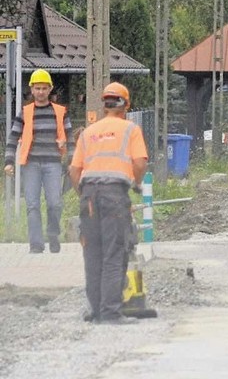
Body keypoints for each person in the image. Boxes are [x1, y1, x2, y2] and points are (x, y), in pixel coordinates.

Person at [69, 82, 148, 324]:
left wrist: (83, 193)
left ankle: (95, 311)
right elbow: (140, 162)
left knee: (92, 254)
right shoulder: (130, 129)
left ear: (104, 105)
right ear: (126, 104)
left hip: (89, 196)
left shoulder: (88, 132)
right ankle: (110, 313)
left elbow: (74, 170)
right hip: (115, 196)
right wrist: (135, 183)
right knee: (114, 253)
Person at [4, 69, 73, 254]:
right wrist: (9, 161)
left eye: (44, 88)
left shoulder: (60, 112)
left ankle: (52, 234)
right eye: (37, 88)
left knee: (54, 203)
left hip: (53, 164)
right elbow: (12, 138)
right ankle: (36, 244)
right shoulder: (24, 113)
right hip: (31, 164)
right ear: (32, 90)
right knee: (32, 204)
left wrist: (72, 160)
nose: (41, 92)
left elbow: (70, 137)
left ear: (50, 89)